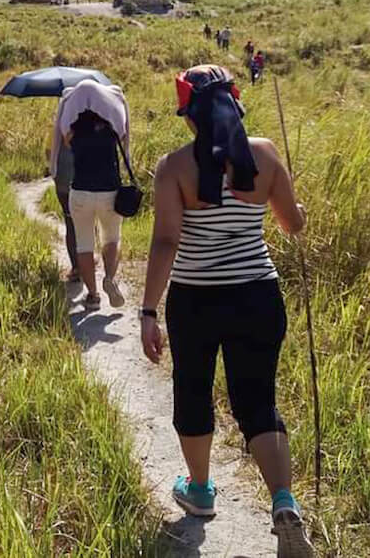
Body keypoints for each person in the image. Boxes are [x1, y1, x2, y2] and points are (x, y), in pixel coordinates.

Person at [138, 65, 311, 556]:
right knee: (258, 401)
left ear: (188, 116)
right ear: (237, 103)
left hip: (196, 300)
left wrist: (148, 311)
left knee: (193, 391)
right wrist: (296, 212)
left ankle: (199, 491)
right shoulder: (265, 154)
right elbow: (292, 225)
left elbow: (167, 240)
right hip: (258, 293)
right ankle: (283, 502)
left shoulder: (173, 167)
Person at [59, 79, 131, 310]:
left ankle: (92, 295)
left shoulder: (73, 129)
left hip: (80, 192)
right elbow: (124, 136)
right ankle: (109, 278)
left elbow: (66, 142)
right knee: (112, 239)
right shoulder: (112, 128)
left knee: (84, 245)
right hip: (109, 191)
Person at [49, 93, 80, 281]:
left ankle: (76, 267)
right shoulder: (89, 125)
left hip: (63, 183)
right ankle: (88, 260)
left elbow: (48, 153)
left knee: (70, 223)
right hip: (86, 183)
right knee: (86, 224)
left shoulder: (55, 127)